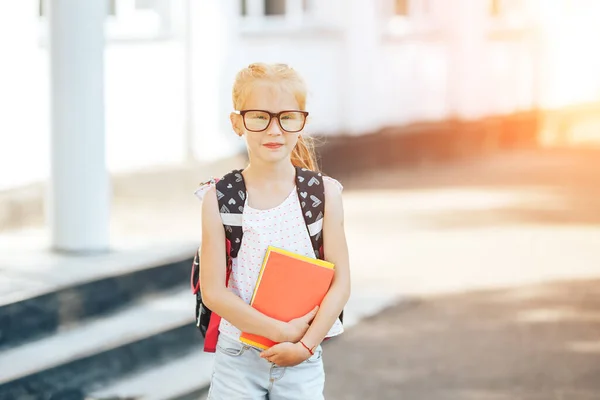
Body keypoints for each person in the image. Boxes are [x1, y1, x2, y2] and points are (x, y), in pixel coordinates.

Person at [195, 62, 351, 399]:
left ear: (302, 121)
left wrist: (306, 345)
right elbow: (214, 292)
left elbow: (341, 282)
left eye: (287, 117)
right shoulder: (218, 199)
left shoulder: (324, 195)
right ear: (237, 123)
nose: (274, 130)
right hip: (237, 358)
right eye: (259, 117)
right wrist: (280, 331)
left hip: (303, 360)